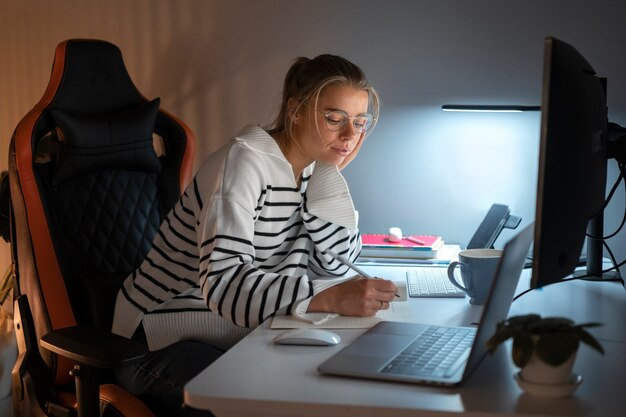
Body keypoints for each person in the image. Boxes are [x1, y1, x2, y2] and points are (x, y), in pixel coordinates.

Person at [112, 54, 398, 416]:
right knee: (260, 406)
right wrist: (325, 299)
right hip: (159, 336)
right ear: (295, 110)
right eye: (334, 118)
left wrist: (330, 175)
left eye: (359, 122)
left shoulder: (312, 169)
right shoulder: (244, 163)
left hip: (230, 330)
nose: (349, 135)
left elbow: (334, 266)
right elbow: (225, 286)